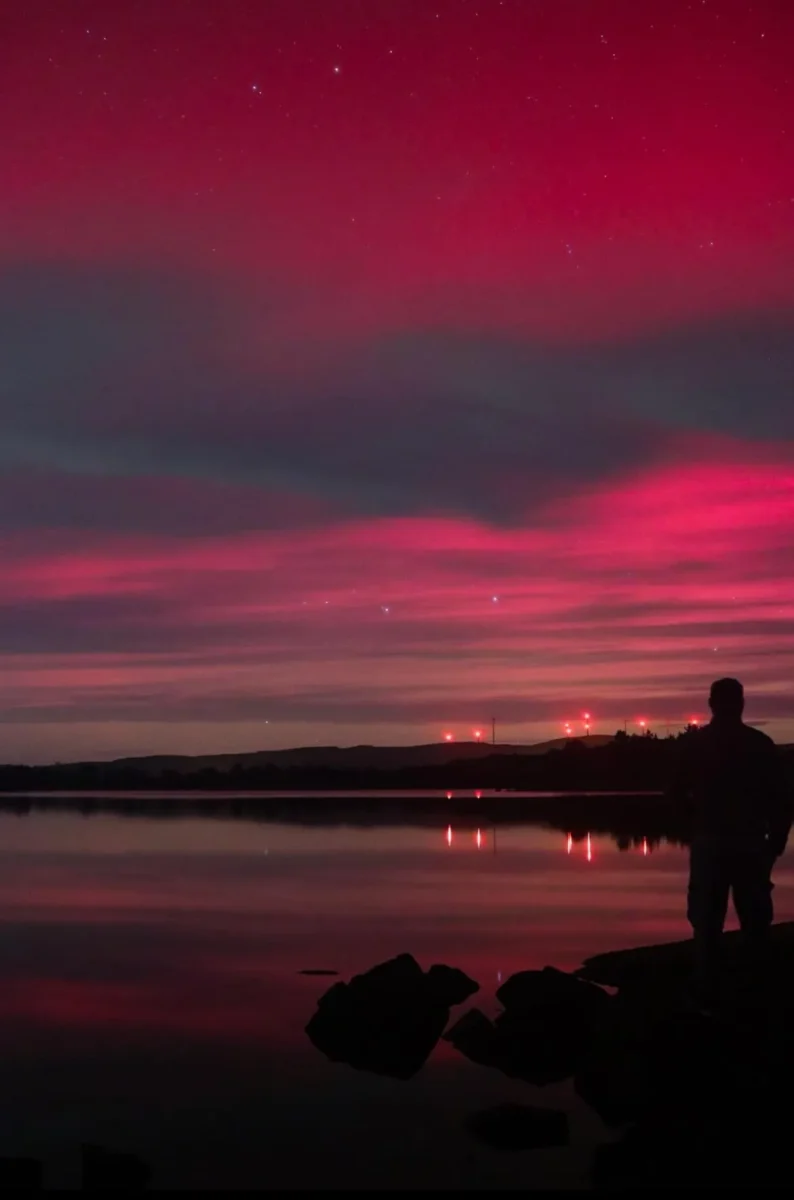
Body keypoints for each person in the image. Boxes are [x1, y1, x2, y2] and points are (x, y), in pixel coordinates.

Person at [669, 678, 792, 1005]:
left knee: (709, 924)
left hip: (715, 844)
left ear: (711, 703)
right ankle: (754, 996)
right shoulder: (759, 744)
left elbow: (676, 794)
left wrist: (692, 826)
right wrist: (775, 842)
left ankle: (711, 995)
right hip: (748, 843)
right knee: (753, 924)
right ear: (741, 704)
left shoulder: (697, 745)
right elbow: (782, 799)